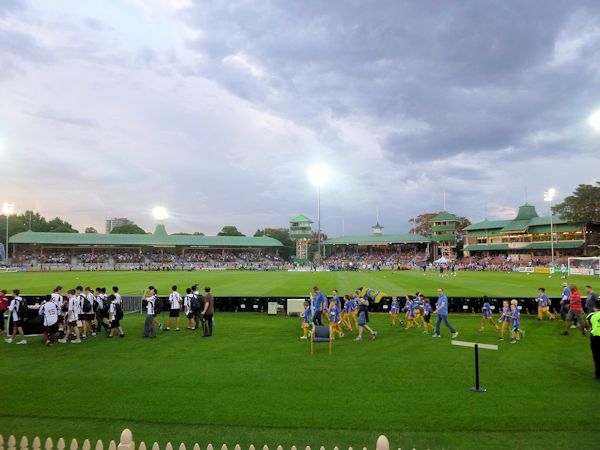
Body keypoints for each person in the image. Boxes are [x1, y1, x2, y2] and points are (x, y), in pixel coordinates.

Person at [585, 299, 600, 379]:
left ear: (595, 306)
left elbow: (587, 327)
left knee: (597, 356)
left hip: (596, 338)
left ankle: (598, 374)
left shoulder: (591, 315)